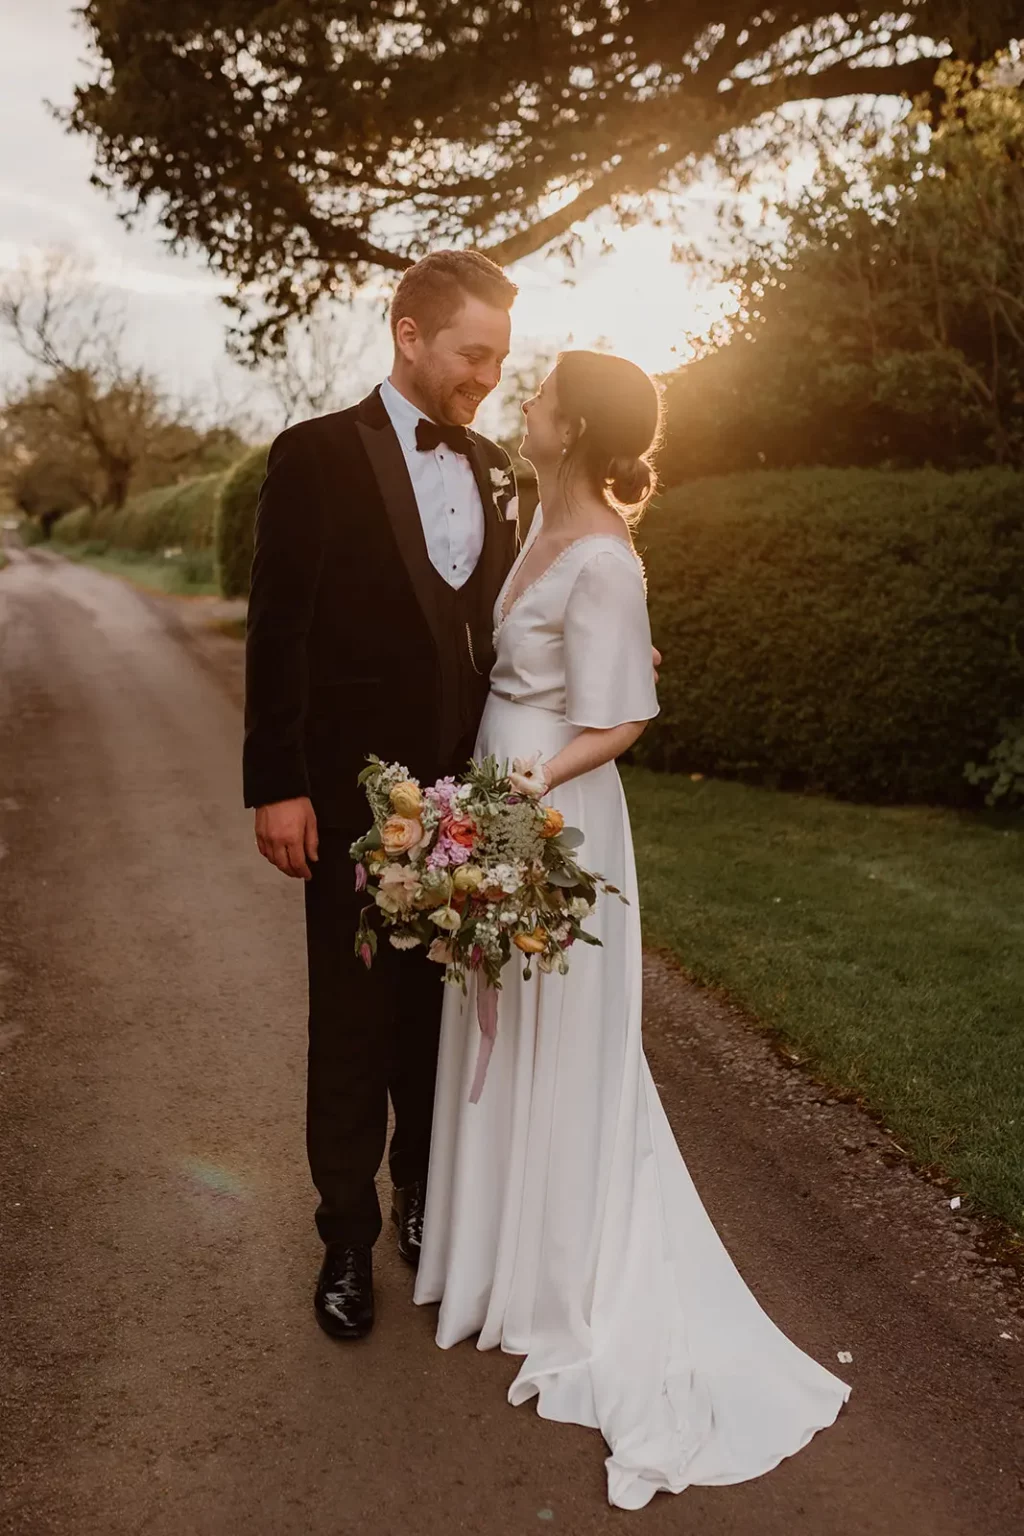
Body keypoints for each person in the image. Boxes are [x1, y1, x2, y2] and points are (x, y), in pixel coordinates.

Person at [414, 350, 851, 1509]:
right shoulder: (532, 516)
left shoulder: (603, 555)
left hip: (552, 811)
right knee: (492, 1019)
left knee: (554, 1031)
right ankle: (490, 1261)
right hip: (497, 790)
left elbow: (620, 721)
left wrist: (519, 795)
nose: (527, 406)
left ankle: (554, 1274)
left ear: (574, 426)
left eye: (543, 397)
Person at [243, 250, 521, 1339]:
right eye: (472, 354)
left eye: (499, 357)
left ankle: (422, 1205)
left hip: (467, 805)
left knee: (435, 1024)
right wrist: (278, 785)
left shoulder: (501, 467)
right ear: (410, 336)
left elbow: (496, 630)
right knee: (353, 1024)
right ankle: (346, 1241)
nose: (487, 377)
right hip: (350, 804)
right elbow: (281, 631)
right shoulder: (313, 456)